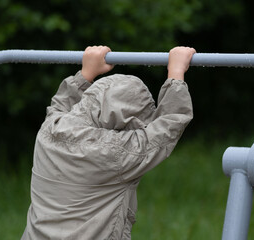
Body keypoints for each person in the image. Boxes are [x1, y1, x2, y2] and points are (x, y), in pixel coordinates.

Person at [22, 46, 196, 240]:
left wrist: (86, 73)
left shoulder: (49, 129)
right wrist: (176, 74)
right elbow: (169, 126)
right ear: (122, 124)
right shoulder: (115, 154)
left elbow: (60, 104)